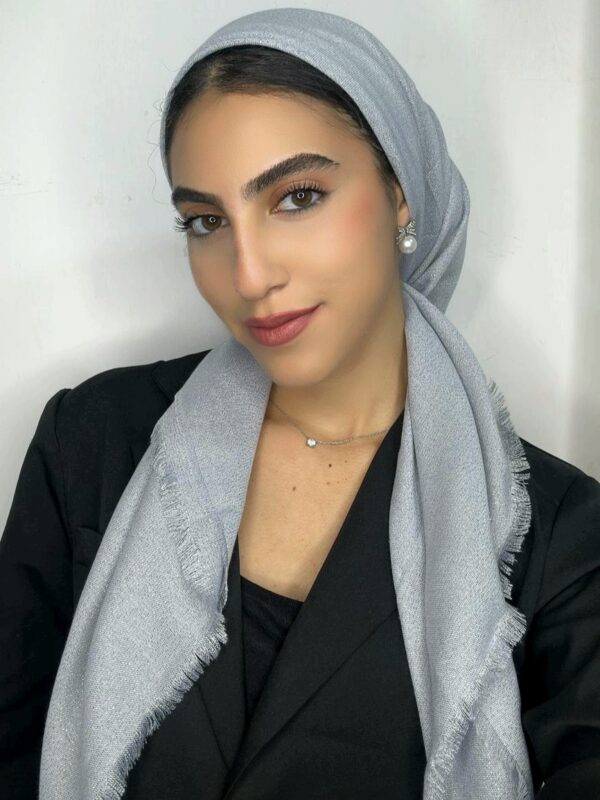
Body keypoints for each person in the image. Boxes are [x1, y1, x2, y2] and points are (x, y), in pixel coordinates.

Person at [1, 7, 599, 800]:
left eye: (297, 196)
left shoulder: (557, 534)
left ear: (399, 194)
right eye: (206, 221)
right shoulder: (93, 438)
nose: (249, 275)